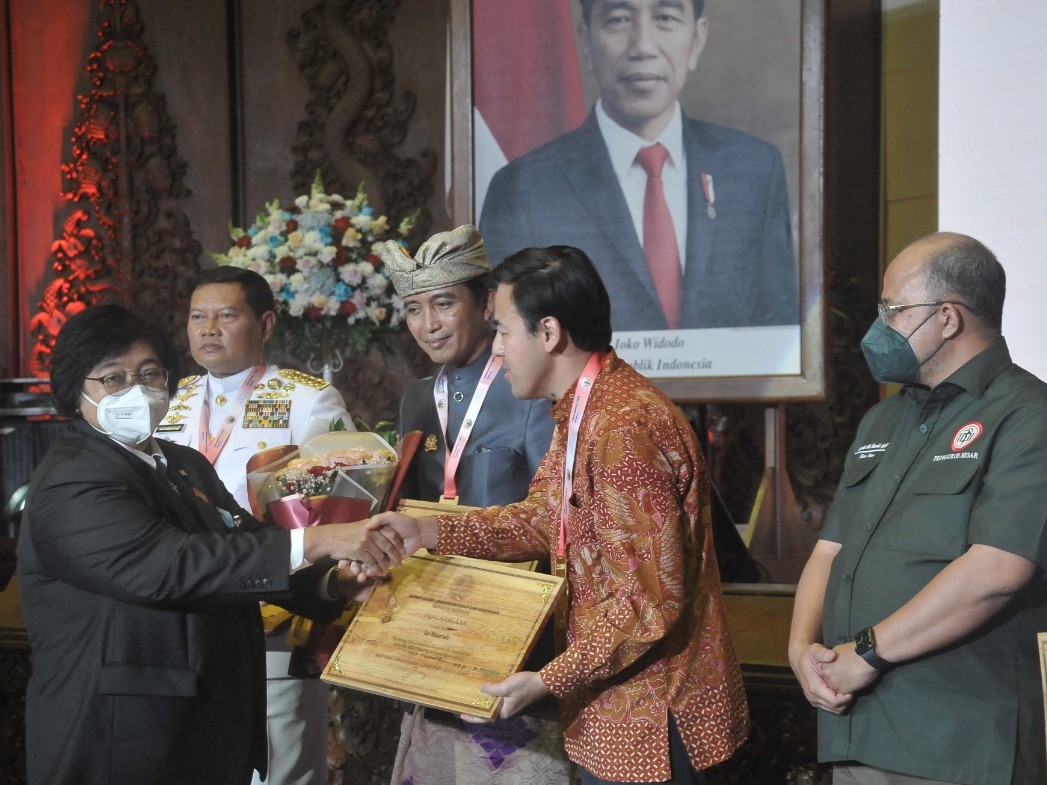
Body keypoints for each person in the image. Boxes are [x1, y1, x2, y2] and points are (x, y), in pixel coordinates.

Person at [368, 245, 749, 783]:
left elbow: (646, 606)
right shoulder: (587, 407)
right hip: (612, 709)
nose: (496, 350)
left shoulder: (622, 429)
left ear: (547, 333)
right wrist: (426, 529)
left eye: (502, 331)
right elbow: (543, 518)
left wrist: (546, 680)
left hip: (652, 716)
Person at [17, 305, 404, 785]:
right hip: (122, 734)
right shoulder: (72, 477)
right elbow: (170, 566)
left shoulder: (183, 462)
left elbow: (247, 541)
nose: (135, 391)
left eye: (148, 373)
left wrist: (334, 580)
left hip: (205, 719)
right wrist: (320, 538)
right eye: (112, 379)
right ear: (76, 393)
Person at [788, 232, 1047, 785]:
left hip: (955, 739)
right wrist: (800, 648)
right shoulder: (882, 420)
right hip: (856, 726)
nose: (878, 326)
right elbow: (829, 550)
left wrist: (866, 654)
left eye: (893, 309)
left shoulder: (1028, 414)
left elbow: (999, 569)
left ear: (948, 317)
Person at [479, 0, 798, 332]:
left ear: (697, 39)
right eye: (618, 20)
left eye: (665, 18)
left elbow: (778, 327)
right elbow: (503, 337)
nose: (643, 46)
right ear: (586, 42)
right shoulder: (522, 189)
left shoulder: (755, 170)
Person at [380, 226, 566, 784]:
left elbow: (556, 516)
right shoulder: (418, 396)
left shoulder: (530, 384)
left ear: (486, 304)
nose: (427, 325)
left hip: (518, 626)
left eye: (442, 304)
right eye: (413, 309)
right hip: (434, 618)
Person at [156, 266, 354, 785]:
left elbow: (340, 511)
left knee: (280, 766)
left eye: (226, 316)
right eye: (198, 317)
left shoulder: (309, 399)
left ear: (265, 325)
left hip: (274, 614)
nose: (208, 329)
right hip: (188, 612)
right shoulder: (166, 403)